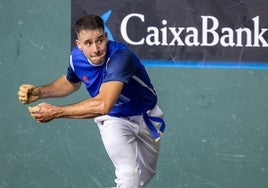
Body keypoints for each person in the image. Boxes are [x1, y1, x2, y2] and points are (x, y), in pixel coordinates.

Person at [18, 14, 166, 188]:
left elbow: (103, 103)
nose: (96, 48)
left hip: (147, 117)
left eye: (100, 40)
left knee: (144, 175)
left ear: (106, 37)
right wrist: (40, 91)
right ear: (78, 44)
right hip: (114, 119)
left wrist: (56, 111)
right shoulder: (76, 58)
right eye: (88, 43)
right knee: (129, 175)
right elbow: (70, 82)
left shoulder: (120, 57)